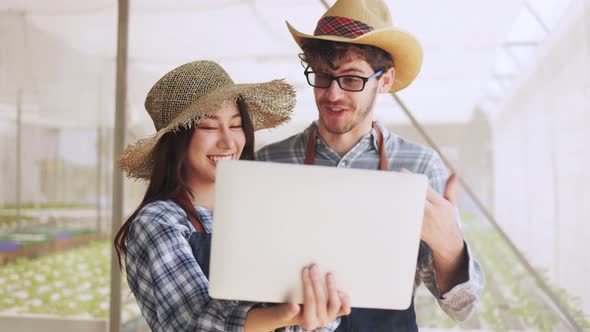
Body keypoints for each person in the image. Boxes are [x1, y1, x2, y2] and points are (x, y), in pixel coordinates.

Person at [256, 0, 484, 330]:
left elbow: (462, 310)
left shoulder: (420, 165)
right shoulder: (268, 163)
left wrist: (449, 247)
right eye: (322, 76)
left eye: (351, 79)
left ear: (386, 80)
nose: (332, 93)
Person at [114, 60, 351, 332]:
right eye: (209, 127)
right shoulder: (159, 222)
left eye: (236, 126)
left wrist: (318, 312)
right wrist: (286, 316)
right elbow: (192, 323)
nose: (228, 142)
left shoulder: (262, 214)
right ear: (177, 140)